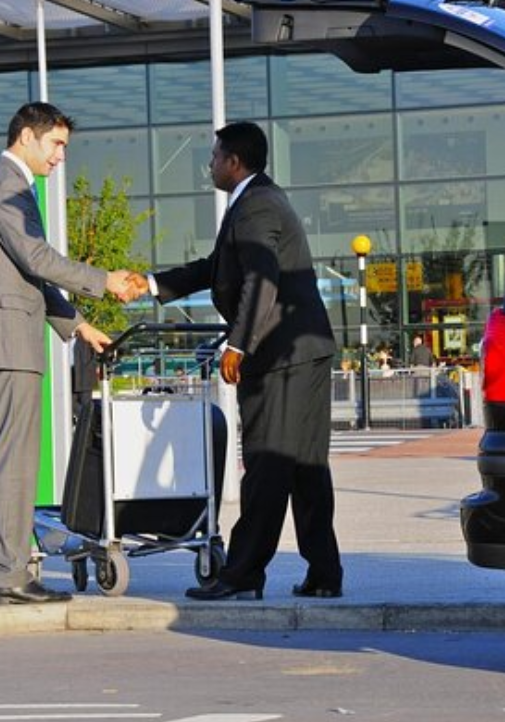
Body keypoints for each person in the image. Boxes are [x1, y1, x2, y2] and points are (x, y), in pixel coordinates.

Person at [124, 121, 343, 601]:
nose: (210, 166)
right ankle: (324, 572)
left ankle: (243, 574)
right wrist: (153, 283)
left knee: (266, 464)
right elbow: (217, 268)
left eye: (214, 157)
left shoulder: (256, 205)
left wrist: (239, 344)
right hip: (302, 353)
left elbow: (261, 279)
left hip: (280, 356)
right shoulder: (257, 200)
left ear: (234, 162)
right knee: (305, 466)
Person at [0, 101, 136, 606]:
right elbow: (37, 259)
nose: (60, 157)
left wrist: (78, 326)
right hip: (5, 343)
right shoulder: (6, 187)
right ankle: (9, 577)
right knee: (13, 463)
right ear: (27, 136)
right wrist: (105, 281)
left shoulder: (1, 185)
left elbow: (26, 273)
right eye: (56, 144)